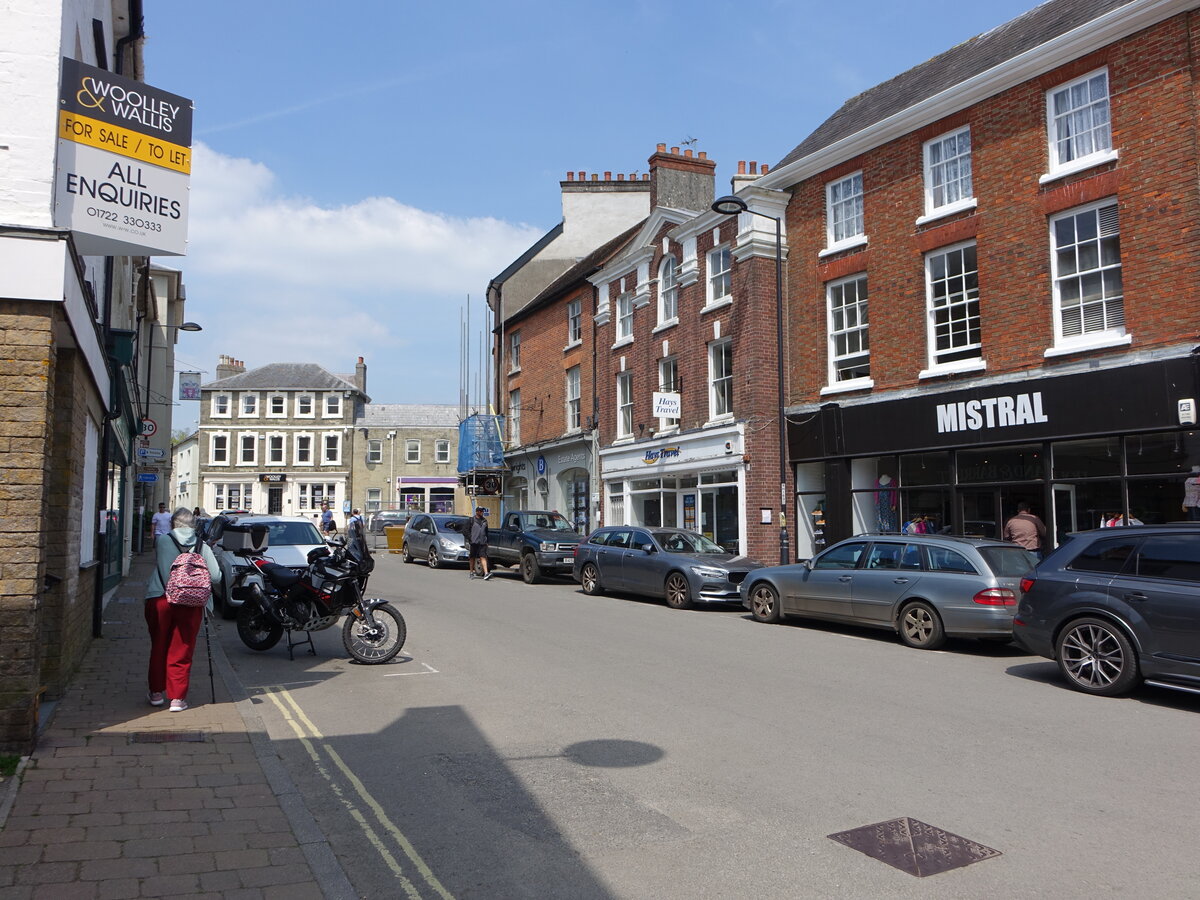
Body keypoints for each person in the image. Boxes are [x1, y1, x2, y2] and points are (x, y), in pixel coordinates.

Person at [144, 507, 220, 712]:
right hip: (190, 602)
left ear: (172, 524)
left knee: (159, 645)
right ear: (194, 525)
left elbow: (162, 567)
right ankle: (177, 698)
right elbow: (215, 576)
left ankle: (156, 693)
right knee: (182, 648)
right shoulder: (202, 545)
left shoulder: (163, 541)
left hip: (160, 599)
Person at [467, 506, 492, 581]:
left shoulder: (485, 521)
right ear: (477, 512)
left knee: (483, 557)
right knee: (472, 557)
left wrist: (487, 541)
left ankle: (486, 573)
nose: (482, 513)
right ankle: (471, 572)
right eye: (480, 511)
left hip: (482, 543)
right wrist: (470, 539)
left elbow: (486, 532)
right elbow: (466, 530)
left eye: (482, 511)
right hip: (474, 542)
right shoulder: (471, 520)